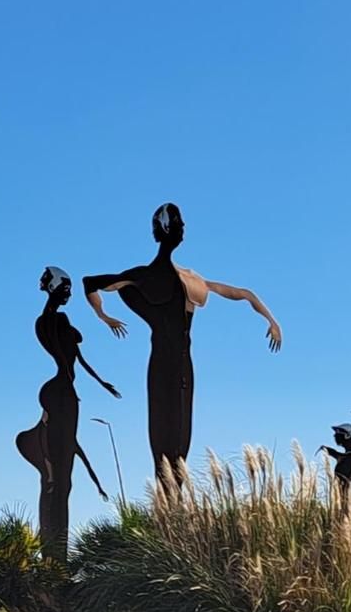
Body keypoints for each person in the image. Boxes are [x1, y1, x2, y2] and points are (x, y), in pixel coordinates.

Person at [83, 203, 281, 481]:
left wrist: (271, 320)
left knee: (179, 437)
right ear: (166, 228)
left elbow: (241, 293)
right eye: (178, 224)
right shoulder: (149, 275)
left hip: (176, 363)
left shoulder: (182, 277)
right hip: (169, 363)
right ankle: (167, 502)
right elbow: (90, 282)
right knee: (167, 439)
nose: (183, 229)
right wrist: (104, 316)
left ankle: (172, 503)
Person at [15, 266, 118, 560]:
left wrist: (101, 382)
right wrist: (100, 381)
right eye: (66, 289)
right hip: (60, 392)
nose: (70, 294)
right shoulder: (55, 319)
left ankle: (53, 553)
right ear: (55, 288)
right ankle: (53, 554)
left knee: (61, 481)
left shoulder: (47, 321)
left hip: (62, 391)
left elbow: (75, 359)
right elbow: (72, 359)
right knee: (59, 480)